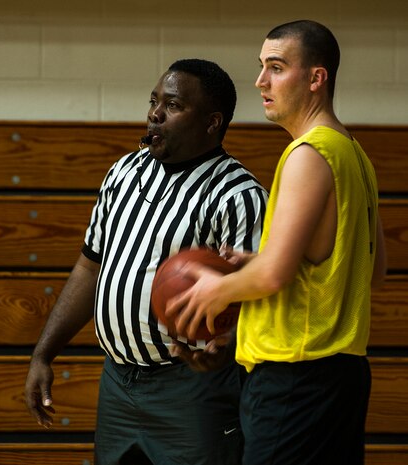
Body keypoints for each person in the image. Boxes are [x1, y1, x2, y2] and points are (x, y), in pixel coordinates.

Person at [24, 58, 268, 465]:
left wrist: (225, 347)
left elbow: (258, 297)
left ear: (212, 122)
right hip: (118, 382)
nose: (155, 113)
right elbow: (89, 266)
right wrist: (43, 353)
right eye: (154, 101)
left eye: (172, 106)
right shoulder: (122, 171)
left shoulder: (239, 194)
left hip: (191, 387)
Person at [167, 20, 387, 465]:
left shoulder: (308, 154)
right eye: (262, 67)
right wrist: (256, 261)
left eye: (276, 67)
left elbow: (275, 275)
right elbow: (372, 269)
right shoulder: (353, 152)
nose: (260, 81)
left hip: (295, 380)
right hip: (341, 376)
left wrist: (214, 290)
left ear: (315, 78)